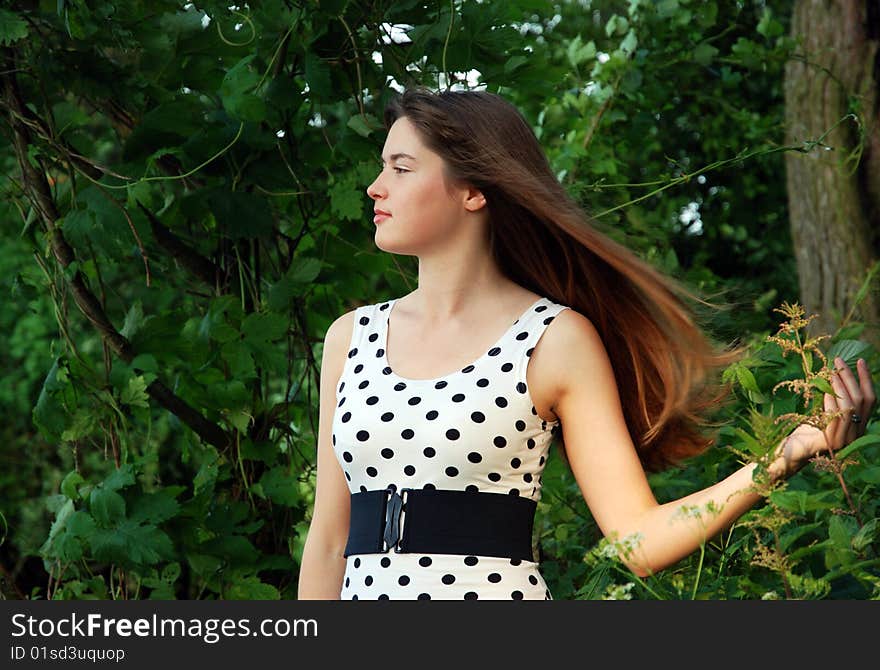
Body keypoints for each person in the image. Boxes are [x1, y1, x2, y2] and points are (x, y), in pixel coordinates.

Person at [296, 85, 876, 600]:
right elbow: (328, 541)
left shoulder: (554, 339)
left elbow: (637, 540)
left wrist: (787, 455)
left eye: (400, 168)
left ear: (472, 191)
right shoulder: (352, 337)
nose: (374, 188)